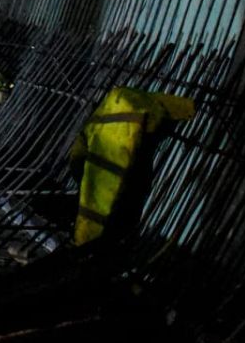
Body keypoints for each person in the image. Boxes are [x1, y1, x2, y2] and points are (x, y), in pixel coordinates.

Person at [68, 86, 195, 248]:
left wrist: (83, 240)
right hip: (137, 122)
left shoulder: (105, 149)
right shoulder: (119, 104)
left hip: (127, 141)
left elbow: (97, 200)